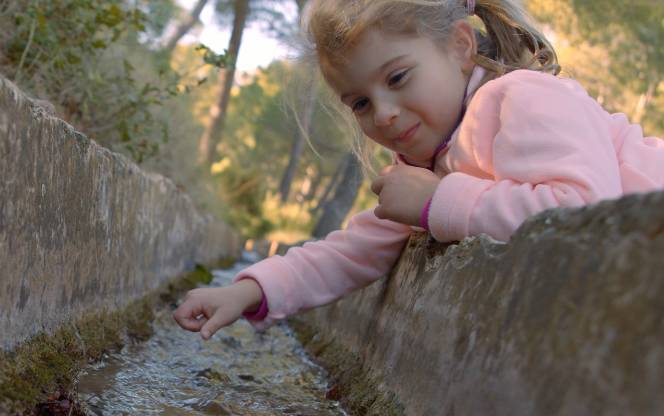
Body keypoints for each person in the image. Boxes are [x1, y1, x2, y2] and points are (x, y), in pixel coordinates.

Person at [174, 0, 664, 339]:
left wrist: (437, 202)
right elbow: (353, 251)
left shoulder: (526, 96)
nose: (382, 113)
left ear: (459, 47)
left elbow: (585, 211)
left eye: (398, 78)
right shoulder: (423, 162)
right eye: (360, 102)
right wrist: (247, 290)